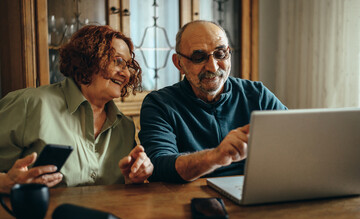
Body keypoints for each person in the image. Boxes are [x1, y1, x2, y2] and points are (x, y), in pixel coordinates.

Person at [0, 25, 153, 193]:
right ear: (89, 58)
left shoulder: (125, 126)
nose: (126, 74)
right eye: (118, 62)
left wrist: (135, 176)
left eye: (128, 66)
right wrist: (7, 182)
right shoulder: (30, 104)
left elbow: (124, 188)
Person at [139, 20, 287, 183]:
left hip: (251, 191)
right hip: (189, 199)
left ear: (229, 54)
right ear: (179, 63)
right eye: (199, 57)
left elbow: (293, 138)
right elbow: (159, 166)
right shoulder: (159, 104)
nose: (213, 67)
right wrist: (216, 157)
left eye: (220, 54)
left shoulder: (257, 95)